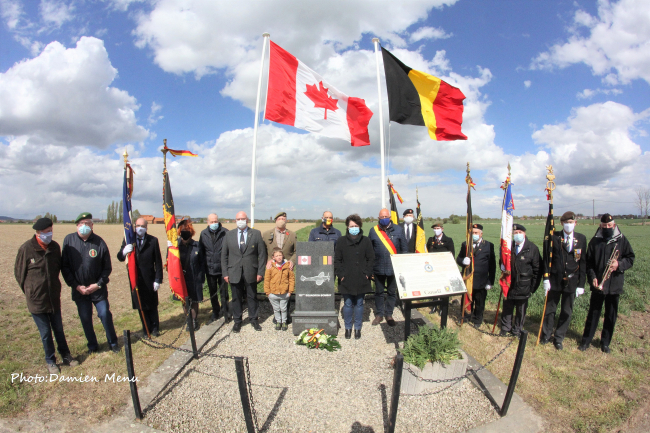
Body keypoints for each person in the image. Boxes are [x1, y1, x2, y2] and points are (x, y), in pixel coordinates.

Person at [14, 218, 79, 374]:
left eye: (50, 230)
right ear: (37, 233)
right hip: (36, 301)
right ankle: (50, 361)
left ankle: (66, 355)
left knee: (58, 329)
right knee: (45, 333)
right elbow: (19, 274)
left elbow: (58, 268)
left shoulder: (55, 247)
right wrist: (31, 291)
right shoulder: (26, 249)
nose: (49, 234)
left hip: (53, 297)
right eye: (45, 232)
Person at [61, 212, 118, 354]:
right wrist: (76, 286)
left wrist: (98, 284)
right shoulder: (69, 241)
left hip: (97, 290)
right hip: (80, 291)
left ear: (92, 226)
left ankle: (113, 343)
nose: (84, 226)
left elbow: (107, 267)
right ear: (76, 226)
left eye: (87, 223)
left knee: (105, 314)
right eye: (81, 224)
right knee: (85, 319)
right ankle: (92, 345)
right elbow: (65, 267)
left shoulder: (99, 242)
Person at [579, 214, 635, 353]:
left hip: (614, 284)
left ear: (614, 225)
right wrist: (592, 277)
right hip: (598, 284)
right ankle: (586, 341)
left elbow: (630, 258)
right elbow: (589, 262)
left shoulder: (621, 240)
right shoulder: (594, 241)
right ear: (600, 226)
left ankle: (605, 343)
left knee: (611, 315)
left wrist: (618, 264)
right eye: (604, 226)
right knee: (593, 313)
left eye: (609, 226)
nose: (607, 228)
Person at [540, 211, 587, 350]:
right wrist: (546, 278)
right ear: (562, 224)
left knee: (567, 311)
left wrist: (581, 284)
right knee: (550, 310)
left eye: (571, 223)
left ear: (575, 223)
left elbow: (583, 262)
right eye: (566, 223)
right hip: (554, 280)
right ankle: (546, 334)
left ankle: (559, 337)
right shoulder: (554, 237)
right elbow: (547, 259)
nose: (569, 225)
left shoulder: (581, 239)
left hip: (572, 282)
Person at [221, 211, 267, 332]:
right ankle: (237, 321)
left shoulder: (256, 234)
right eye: (238, 219)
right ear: (235, 220)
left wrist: (260, 272)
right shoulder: (229, 235)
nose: (240, 221)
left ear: (247, 220)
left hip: (251, 271)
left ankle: (254, 319)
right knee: (236, 298)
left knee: (252, 296)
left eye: (242, 218)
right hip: (234, 272)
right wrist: (225, 273)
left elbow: (262, 255)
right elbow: (224, 256)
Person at [117, 217, 163, 337]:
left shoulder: (153, 241)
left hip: (150, 278)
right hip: (136, 279)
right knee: (141, 305)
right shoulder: (128, 240)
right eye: (137, 226)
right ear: (134, 227)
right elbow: (120, 257)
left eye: (142, 226)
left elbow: (158, 261)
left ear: (146, 227)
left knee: (152, 305)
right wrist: (124, 251)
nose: (140, 228)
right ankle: (145, 328)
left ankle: (155, 328)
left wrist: (158, 279)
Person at [334, 214, 375, 339]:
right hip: (346, 278)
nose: (354, 228)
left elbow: (371, 259)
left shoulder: (366, 240)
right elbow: (337, 260)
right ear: (347, 226)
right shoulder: (341, 241)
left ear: (360, 226)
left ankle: (357, 328)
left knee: (359, 303)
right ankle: (348, 328)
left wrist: (367, 274)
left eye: (356, 226)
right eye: (351, 226)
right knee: (347, 304)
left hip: (361, 278)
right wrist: (341, 275)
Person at [499, 224, 542, 337]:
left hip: (524, 285)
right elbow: (502, 260)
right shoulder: (508, 247)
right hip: (509, 284)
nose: (517, 235)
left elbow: (537, 270)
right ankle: (505, 327)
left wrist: (532, 288)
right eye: (515, 233)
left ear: (524, 234)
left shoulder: (532, 248)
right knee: (507, 307)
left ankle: (517, 329)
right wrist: (502, 265)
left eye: (520, 232)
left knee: (520, 310)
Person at [368, 208, 408, 327]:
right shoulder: (373, 231)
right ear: (378, 218)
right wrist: (370, 269)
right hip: (378, 268)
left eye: (386, 217)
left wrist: (402, 266)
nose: (384, 219)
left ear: (390, 217)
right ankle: (379, 314)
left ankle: (389, 314)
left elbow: (404, 249)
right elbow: (369, 251)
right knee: (379, 292)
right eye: (382, 217)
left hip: (394, 268)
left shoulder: (399, 230)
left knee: (391, 292)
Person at [457, 223, 496, 328]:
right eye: (472, 232)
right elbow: (458, 259)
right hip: (468, 279)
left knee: (479, 301)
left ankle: (477, 319)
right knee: (467, 299)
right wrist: (462, 261)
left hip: (481, 280)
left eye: (476, 233)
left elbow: (492, 266)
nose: (474, 234)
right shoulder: (465, 245)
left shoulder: (488, 245)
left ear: (481, 233)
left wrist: (490, 281)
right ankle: (465, 316)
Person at [198, 213, 231, 323]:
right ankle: (215, 312)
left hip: (222, 269)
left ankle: (226, 311)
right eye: (212, 222)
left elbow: (229, 251)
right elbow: (201, 252)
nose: (214, 223)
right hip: (210, 269)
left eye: (215, 221)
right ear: (207, 222)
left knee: (224, 292)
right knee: (212, 293)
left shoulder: (225, 232)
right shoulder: (203, 234)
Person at [177, 219, 204, 331]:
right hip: (181, 279)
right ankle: (189, 320)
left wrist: (201, 279)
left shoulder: (197, 245)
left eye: (187, 230)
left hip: (194, 278)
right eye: (183, 230)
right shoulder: (175, 247)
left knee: (194, 301)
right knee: (185, 302)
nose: (185, 232)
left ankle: (194, 320)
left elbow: (202, 263)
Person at [426, 222, 457, 315]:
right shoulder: (431, 240)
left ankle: (443, 307)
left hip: (444, 268)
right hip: (433, 268)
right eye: (434, 228)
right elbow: (428, 250)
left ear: (442, 229)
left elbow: (452, 254)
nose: (436, 230)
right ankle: (434, 305)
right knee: (434, 287)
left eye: (438, 228)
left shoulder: (448, 240)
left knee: (444, 288)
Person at [264, 248, 295, 331]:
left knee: (284, 308)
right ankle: (278, 321)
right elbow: (267, 280)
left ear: (283, 256)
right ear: (273, 257)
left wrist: (290, 291)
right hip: (273, 293)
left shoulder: (287, 266)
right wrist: (268, 292)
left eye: (280, 255)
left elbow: (291, 279)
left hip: (284, 293)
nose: (279, 257)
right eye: (276, 256)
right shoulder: (270, 267)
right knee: (276, 309)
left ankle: (284, 321)